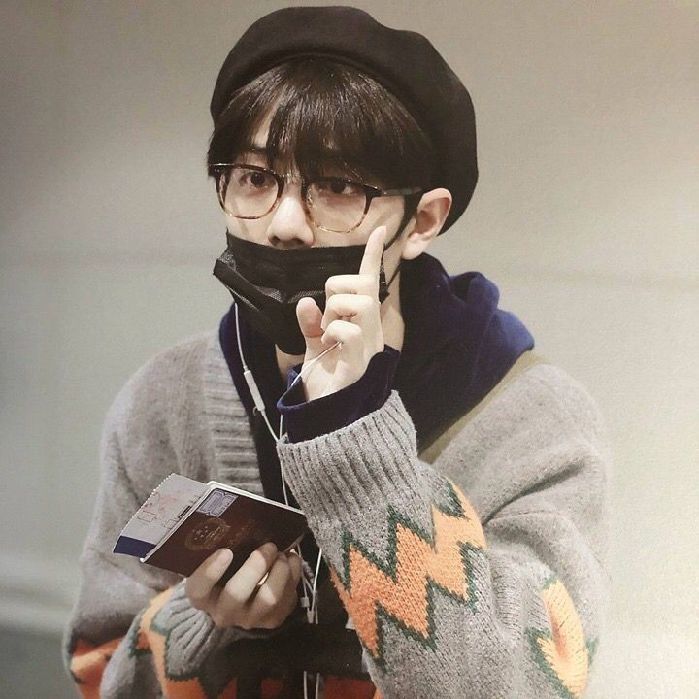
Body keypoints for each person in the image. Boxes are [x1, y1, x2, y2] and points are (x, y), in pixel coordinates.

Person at [63, 6, 611, 699]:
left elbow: (531, 686)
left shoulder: (532, 423)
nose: (285, 224)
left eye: (338, 186)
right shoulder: (161, 403)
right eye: (254, 178)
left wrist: (357, 444)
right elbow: (98, 671)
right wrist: (202, 622)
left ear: (422, 219)